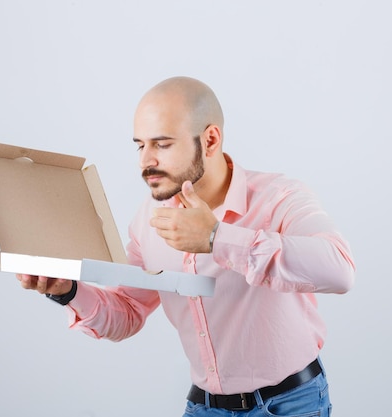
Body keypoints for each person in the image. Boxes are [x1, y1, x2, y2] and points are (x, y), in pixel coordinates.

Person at [17, 76, 355, 416]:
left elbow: (338, 270)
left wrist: (217, 238)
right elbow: (128, 310)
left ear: (209, 140)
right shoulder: (149, 219)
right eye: (140, 145)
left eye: (161, 145)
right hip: (204, 408)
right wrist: (68, 291)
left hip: (291, 404)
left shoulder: (279, 197)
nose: (144, 161)